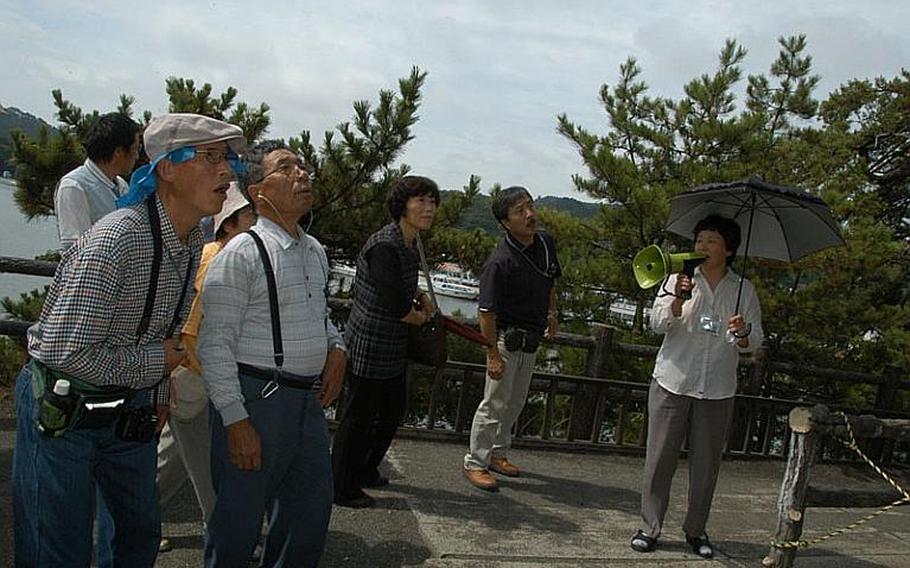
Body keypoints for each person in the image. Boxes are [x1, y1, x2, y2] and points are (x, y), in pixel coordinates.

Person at [12, 113, 245, 567]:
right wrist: (156, 365)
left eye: (228, 157)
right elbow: (64, 351)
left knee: (137, 538)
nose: (228, 171)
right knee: (57, 550)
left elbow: (166, 329)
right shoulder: (117, 240)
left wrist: (156, 391)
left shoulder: (191, 236)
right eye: (211, 157)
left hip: (128, 410)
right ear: (167, 168)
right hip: (63, 409)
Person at [199, 141, 347, 567]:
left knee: (309, 512)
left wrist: (337, 347)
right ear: (258, 191)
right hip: (257, 399)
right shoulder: (241, 254)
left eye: (302, 165)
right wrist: (235, 419)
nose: (302, 173)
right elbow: (215, 345)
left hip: (305, 402)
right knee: (238, 522)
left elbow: (320, 315)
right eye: (286, 167)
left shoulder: (314, 251)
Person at [630, 214, 763, 559]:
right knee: (659, 461)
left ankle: (696, 530)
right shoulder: (677, 278)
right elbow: (657, 324)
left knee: (706, 467)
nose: (703, 247)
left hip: (717, 389)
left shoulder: (743, 290)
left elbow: (752, 344)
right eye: (700, 240)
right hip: (673, 382)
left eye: (712, 241)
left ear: (729, 250)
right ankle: (650, 527)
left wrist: (743, 330)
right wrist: (677, 299)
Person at [156, 182, 256, 549]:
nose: (255, 221)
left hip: (196, 378)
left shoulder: (218, 255)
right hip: (197, 377)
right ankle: (226, 538)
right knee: (208, 470)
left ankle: (134, 519)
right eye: (248, 215)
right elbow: (193, 330)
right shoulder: (216, 260)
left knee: (174, 463)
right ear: (228, 224)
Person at [332, 175, 439, 508]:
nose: (429, 208)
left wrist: (420, 293)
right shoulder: (385, 244)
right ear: (402, 205)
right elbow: (394, 302)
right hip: (370, 343)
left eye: (432, 201)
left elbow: (401, 284)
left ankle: (364, 469)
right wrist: (420, 317)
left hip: (392, 345)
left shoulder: (410, 241)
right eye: (420, 201)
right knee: (358, 418)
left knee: (391, 413)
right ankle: (341, 485)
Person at [463, 186, 561, 492]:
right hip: (505, 341)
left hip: (531, 340)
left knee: (515, 402)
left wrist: (552, 313)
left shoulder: (545, 242)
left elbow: (551, 281)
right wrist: (491, 354)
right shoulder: (499, 262)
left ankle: (498, 454)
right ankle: (475, 462)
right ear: (505, 222)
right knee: (494, 404)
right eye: (520, 211)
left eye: (530, 206)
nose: (530, 214)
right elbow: (486, 313)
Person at [54, 112, 141, 250]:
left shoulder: (121, 185)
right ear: (118, 151)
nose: (137, 156)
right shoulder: (75, 186)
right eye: (136, 149)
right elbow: (75, 248)